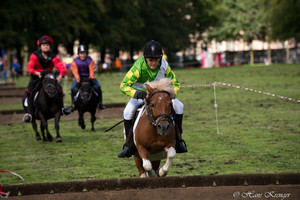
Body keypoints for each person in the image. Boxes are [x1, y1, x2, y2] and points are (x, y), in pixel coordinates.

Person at [118, 40, 187, 158]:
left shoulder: (164, 65)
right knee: (127, 111)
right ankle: (129, 145)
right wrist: (136, 94)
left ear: (160, 58)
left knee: (179, 106)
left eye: (156, 60)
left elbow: (175, 83)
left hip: (160, 96)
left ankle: (179, 140)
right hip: (140, 94)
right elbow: (123, 85)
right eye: (151, 60)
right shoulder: (138, 67)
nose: (154, 63)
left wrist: (171, 93)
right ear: (145, 59)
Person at [23, 35, 72, 123]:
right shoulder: (34, 55)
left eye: (47, 45)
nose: (46, 46)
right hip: (36, 77)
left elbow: (61, 67)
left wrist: (60, 76)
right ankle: (30, 115)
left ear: (49, 47)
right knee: (30, 91)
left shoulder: (53, 55)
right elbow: (29, 68)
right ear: (40, 46)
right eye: (44, 45)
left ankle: (62, 109)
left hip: (49, 78)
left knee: (59, 89)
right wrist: (37, 73)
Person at [70, 44, 105, 110]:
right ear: (78, 54)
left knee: (98, 86)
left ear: (86, 53)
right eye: (81, 53)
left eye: (84, 53)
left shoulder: (90, 60)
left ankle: (100, 103)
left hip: (89, 77)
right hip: (80, 78)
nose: (82, 55)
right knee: (72, 88)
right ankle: (73, 104)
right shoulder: (75, 61)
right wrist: (77, 78)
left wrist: (91, 76)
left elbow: (92, 69)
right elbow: (75, 70)